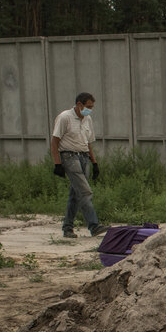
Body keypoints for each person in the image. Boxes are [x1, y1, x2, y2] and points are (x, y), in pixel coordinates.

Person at [51, 92, 109, 238]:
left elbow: (88, 142)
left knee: (76, 195)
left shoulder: (87, 119)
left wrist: (94, 162)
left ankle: (67, 228)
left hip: (83, 157)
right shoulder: (65, 118)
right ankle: (94, 226)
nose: (90, 109)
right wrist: (57, 163)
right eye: (88, 106)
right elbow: (54, 142)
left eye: (91, 107)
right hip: (69, 157)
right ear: (79, 105)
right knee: (85, 192)